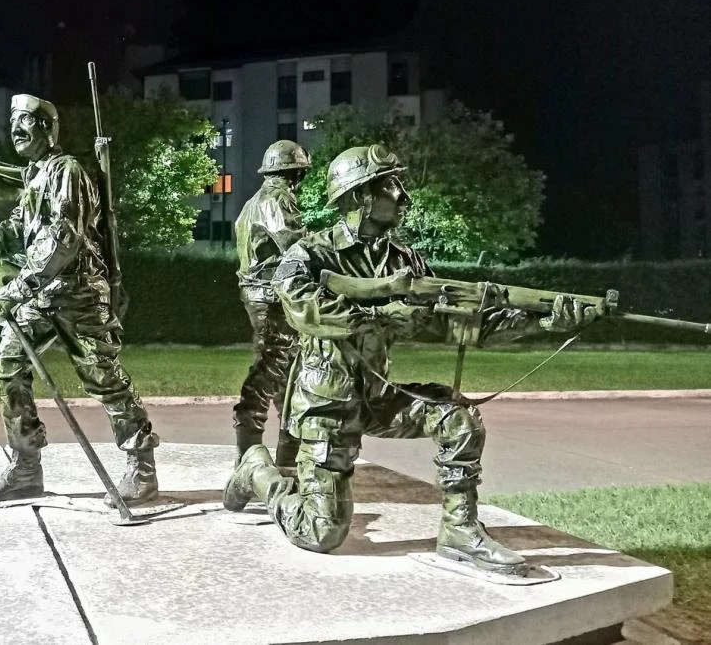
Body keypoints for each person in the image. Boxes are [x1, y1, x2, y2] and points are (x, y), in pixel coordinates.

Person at [223, 144, 598, 573]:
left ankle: (459, 532)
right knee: (322, 533)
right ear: (360, 195)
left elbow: (449, 324)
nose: (403, 195)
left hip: (379, 399)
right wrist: (382, 312)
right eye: (390, 185)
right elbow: (306, 312)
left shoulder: (404, 262)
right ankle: (257, 470)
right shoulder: (309, 255)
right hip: (325, 409)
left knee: (458, 418)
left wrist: (543, 323)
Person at [0, 94, 159, 505]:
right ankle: (26, 469)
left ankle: (142, 469)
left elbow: (63, 239)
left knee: (103, 378)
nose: (16, 130)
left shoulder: (66, 171)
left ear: (47, 129)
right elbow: (12, 237)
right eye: (13, 123)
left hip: (79, 293)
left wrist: (17, 290)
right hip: (43, 294)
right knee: (7, 364)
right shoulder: (32, 179)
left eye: (25, 122)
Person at [232, 140, 309, 468]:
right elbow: (296, 245)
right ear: (295, 173)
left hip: (259, 295)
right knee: (271, 371)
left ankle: (288, 461)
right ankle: (248, 459)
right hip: (272, 298)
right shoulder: (277, 199)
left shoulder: (253, 201)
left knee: (287, 375)